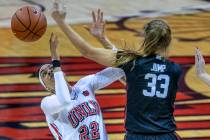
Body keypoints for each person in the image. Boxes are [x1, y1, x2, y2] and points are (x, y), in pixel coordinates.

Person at [51, 2, 182, 139]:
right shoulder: (175, 70)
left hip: (137, 136)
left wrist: (61, 22)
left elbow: (87, 51)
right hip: (166, 135)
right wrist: (102, 39)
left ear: (146, 39)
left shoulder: (135, 64)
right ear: (168, 41)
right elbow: (137, 82)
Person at [39, 33, 125, 140]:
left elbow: (120, 69)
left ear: (63, 74)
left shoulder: (85, 84)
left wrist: (103, 39)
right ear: (47, 88)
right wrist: (55, 62)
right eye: (44, 74)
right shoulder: (47, 103)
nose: (49, 71)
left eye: (51, 67)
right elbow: (65, 100)